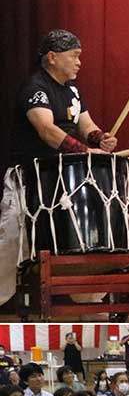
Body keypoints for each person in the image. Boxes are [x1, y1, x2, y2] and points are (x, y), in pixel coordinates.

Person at [2, 30, 119, 304]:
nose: (80, 62)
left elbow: (85, 124)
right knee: (9, 242)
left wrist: (100, 138)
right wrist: (85, 151)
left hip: (63, 176)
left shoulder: (73, 90)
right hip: (30, 176)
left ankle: (84, 295)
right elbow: (47, 130)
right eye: (74, 56)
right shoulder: (36, 87)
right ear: (52, 57)